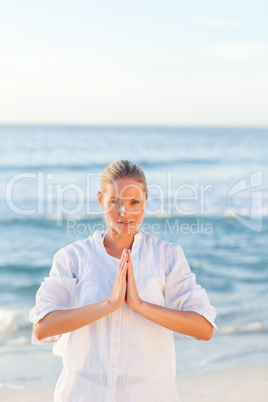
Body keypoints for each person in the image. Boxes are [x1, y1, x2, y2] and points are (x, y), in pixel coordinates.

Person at [30, 159, 216, 402]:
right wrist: (109, 305)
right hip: (83, 393)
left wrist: (140, 305)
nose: (124, 213)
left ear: (146, 199)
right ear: (100, 200)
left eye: (134, 202)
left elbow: (203, 328)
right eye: (114, 202)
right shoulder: (73, 257)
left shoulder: (167, 255)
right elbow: (43, 327)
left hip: (150, 394)